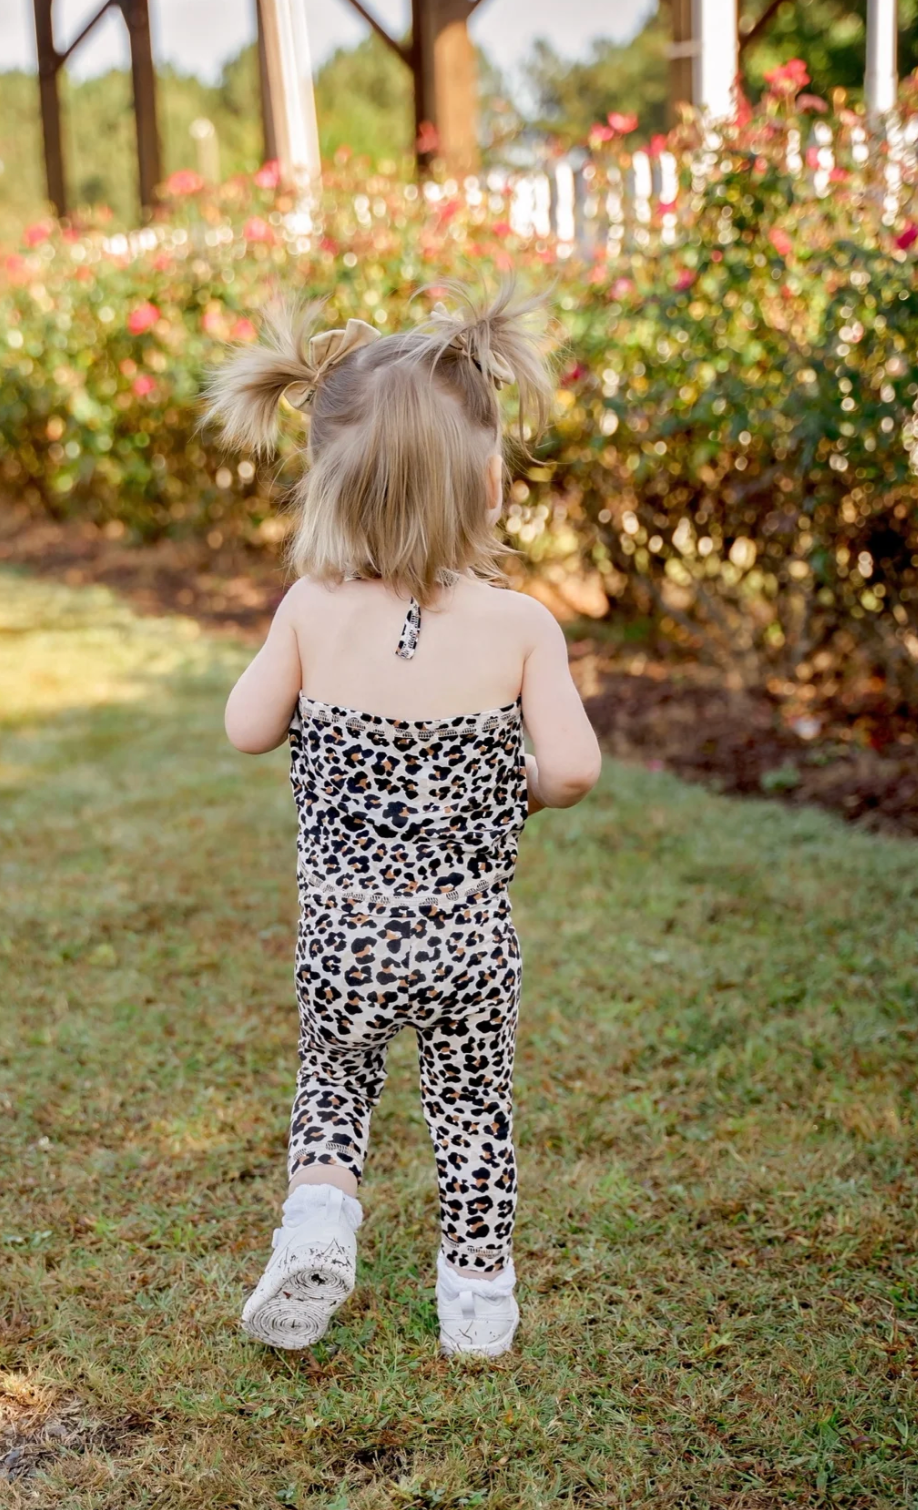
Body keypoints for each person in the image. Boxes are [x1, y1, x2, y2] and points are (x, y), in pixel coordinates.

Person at [203, 286, 602, 1358]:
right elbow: (571, 766)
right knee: (471, 1109)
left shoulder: (309, 608)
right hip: (469, 938)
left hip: (344, 933)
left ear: (329, 486)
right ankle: (476, 1299)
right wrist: (509, 782)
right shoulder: (521, 627)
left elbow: (246, 727)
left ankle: (319, 1218)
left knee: (333, 1080)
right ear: (487, 482)